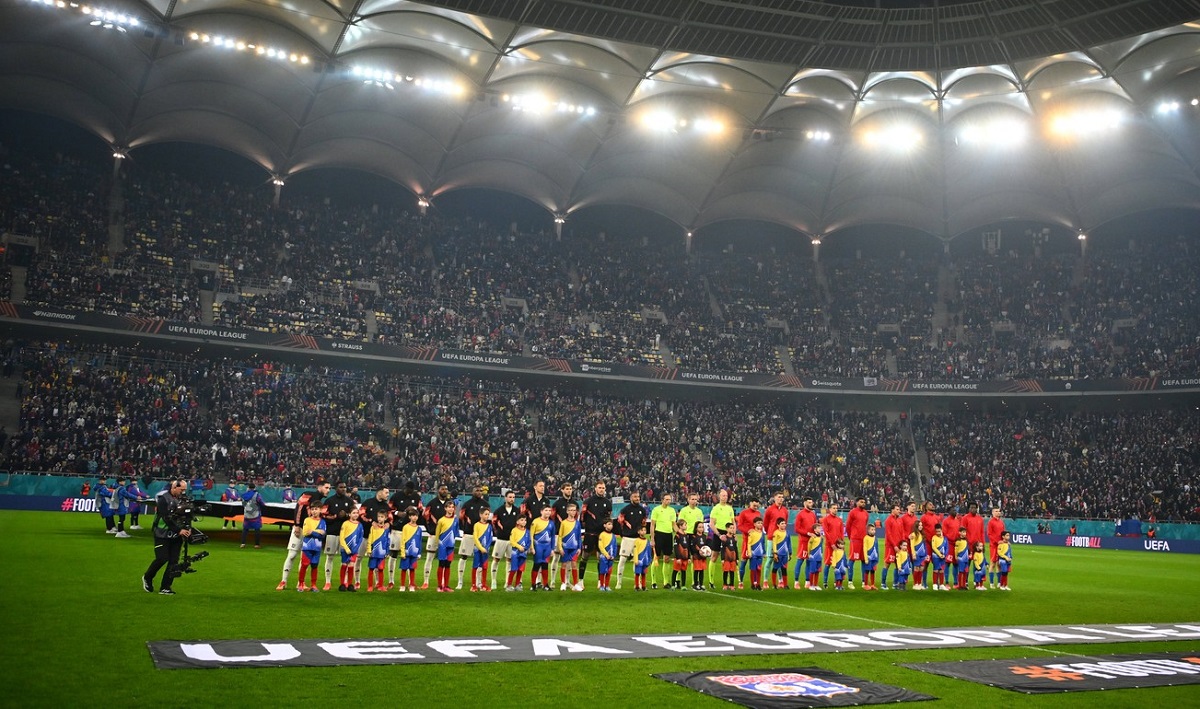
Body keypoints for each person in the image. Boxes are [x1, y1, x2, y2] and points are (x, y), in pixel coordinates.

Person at [141, 479, 193, 595]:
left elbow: (187, 516)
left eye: (185, 490)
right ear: (174, 487)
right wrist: (179, 530)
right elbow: (166, 518)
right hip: (162, 533)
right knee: (162, 558)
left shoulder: (183, 500)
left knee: (174, 562)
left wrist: (188, 529)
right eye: (182, 489)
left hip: (176, 536)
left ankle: (165, 587)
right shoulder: (163, 499)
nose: (183, 492)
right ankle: (148, 577)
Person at [277, 479, 331, 591]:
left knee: (304, 558)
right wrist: (296, 524)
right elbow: (299, 508)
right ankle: (283, 581)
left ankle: (300, 583)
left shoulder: (321, 501)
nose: (328, 490)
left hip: (312, 534)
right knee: (292, 555)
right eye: (326, 487)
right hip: (301, 528)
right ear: (319, 487)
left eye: (329, 488)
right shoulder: (308, 494)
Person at [322, 482, 356, 591]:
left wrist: (346, 515)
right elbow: (324, 515)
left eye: (345, 487)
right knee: (330, 557)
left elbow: (355, 515)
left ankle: (345, 582)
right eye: (341, 487)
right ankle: (327, 582)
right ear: (336, 488)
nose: (343, 489)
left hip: (346, 536)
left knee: (346, 560)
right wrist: (336, 516)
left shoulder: (349, 501)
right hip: (332, 532)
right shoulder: (329, 501)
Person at [421, 484, 455, 589]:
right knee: (430, 557)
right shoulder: (432, 503)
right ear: (438, 491)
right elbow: (424, 517)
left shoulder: (450, 503)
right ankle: (426, 581)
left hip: (446, 538)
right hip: (434, 536)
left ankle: (443, 584)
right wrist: (430, 530)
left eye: (446, 489)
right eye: (442, 489)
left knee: (444, 561)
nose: (445, 491)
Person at [579, 481, 612, 585]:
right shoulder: (588, 501)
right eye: (600, 487)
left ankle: (600, 581)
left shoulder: (608, 502)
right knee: (585, 556)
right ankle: (581, 580)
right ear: (595, 488)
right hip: (590, 533)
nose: (601, 489)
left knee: (600, 557)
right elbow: (582, 516)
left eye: (603, 488)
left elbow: (608, 518)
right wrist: (585, 526)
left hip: (601, 535)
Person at [458, 486, 490, 590]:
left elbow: (487, 518)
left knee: (480, 560)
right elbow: (461, 517)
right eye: (477, 490)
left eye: (481, 491)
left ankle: (478, 583)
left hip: (481, 537)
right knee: (464, 557)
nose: (479, 492)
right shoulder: (467, 504)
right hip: (469, 534)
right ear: (472, 492)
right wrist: (464, 530)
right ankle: (460, 582)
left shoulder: (485, 504)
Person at [615, 491, 648, 590]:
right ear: (631, 498)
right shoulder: (625, 509)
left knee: (637, 562)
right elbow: (619, 522)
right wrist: (622, 534)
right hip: (627, 538)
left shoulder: (642, 510)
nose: (637, 498)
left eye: (638, 496)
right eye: (635, 496)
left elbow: (643, 523)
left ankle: (637, 584)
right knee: (622, 560)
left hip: (637, 539)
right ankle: (619, 582)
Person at [491, 490, 522, 591]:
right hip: (501, 539)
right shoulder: (499, 511)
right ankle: (493, 581)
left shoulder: (517, 511)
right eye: (510, 497)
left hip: (512, 540)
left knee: (510, 560)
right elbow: (494, 523)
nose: (512, 499)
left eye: (513, 497)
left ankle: (507, 582)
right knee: (496, 559)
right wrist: (499, 532)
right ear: (505, 498)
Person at [551, 482, 580, 585]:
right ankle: (553, 581)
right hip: (558, 534)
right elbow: (552, 518)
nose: (569, 490)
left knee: (569, 560)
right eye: (567, 489)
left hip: (571, 536)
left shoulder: (575, 504)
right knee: (556, 557)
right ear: (562, 490)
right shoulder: (557, 504)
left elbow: (577, 520)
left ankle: (567, 581)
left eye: (570, 488)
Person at [706, 489, 735, 589]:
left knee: (729, 557)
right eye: (723, 496)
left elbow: (733, 522)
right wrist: (718, 535)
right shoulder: (716, 508)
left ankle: (728, 583)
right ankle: (711, 580)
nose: (725, 497)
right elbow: (711, 523)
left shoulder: (730, 508)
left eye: (726, 496)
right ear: (719, 497)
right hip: (719, 533)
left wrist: (733, 532)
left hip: (728, 533)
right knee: (714, 556)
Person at [649, 493, 677, 590]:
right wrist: (652, 538)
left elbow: (674, 524)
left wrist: (680, 533)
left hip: (668, 535)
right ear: (662, 500)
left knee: (667, 558)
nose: (668, 501)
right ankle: (653, 582)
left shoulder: (672, 510)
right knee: (656, 558)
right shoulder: (656, 510)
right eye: (667, 499)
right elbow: (652, 525)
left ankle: (666, 582)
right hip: (659, 534)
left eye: (670, 499)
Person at [297, 503, 326, 592]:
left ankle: (313, 585)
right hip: (307, 546)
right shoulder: (307, 520)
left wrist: (312, 531)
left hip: (317, 547)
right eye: (312, 509)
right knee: (304, 565)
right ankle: (301, 584)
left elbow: (323, 535)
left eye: (316, 509)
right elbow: (305, 532)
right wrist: (318, 531)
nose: (314, 511)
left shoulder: (323, 521)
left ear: (320, 510)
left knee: (314, 565)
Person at [736, 497, 762, 588]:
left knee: (755, 564)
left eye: (757, 505)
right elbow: (739, 526)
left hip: (756, 542)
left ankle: (754, 583)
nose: (755, 507)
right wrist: (748, 531)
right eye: (754, 505)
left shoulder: (758, 513)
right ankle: (741, 582)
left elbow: (760, 525)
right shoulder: (744, 513)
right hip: (747, 541)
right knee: (744, 561)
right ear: (750, 503)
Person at [557, 502, 583, 591]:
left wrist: (579, 547)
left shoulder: (577, 523)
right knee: (564, 565)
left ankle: (575, 584)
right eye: (571, 510)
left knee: (574, 565)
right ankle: (563, 583)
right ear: (567, 511)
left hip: (574, 548)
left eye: (574, 510)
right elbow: (560, 536)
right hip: (565, 547)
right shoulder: (563, 523)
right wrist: (560, 548)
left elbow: (579, 536)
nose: (573, 512)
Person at [337, 507, 364, 592]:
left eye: (357, 513)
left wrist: (355, 548)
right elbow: (341, 538)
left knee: (351, 565)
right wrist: (346, 548)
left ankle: (350, 584)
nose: (355, 514)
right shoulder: (345, 524)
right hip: (345, 549)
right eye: (354, 513)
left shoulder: (360, 525)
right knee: (344, 565)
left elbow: (360, 538)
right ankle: (342, 584)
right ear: (349, 514)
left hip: (354, 549)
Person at [530, 505, 556, 591]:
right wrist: (532, 547)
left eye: (549, 510)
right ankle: (533, 585)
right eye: (546, 510)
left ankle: (546, 585)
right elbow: (531, 535)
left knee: (545, 565)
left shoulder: (552, 523)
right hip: (538, 546)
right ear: (541, 511)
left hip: (547, 547)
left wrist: (552, 549)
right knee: (536, 565)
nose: (548, 512)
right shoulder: (536, 521)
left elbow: (552, 536)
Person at [435, 501, 459, 593]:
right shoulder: (441, 520)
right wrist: (438, 544)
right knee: (441, 564)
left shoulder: (456, 520)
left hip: (451, 546)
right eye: (449, 507)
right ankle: (439, 585)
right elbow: (437, 534)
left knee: (448, 565)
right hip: (442, 545)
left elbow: (456, 532)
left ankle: (446, 586)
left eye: (452, 507)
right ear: (445, 508)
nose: (451, 509)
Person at [398, 506, 424, 592]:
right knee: (404, 569)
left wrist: (419, 553)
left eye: (416, 515)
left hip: (414, 553)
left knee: (412, 569)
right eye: (413, 515)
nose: (414, 517)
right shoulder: (406, 527)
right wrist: (402, 552)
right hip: (406, 552)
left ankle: (411, 585)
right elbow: (403, 540)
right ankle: (402, 585)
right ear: (409, 517)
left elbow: (419, 541)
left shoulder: (419, 529)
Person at [845, 497, 868, 590]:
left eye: (864, 502)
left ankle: (864, 582)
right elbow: (848, 526)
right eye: (861, 502)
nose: (863, 503)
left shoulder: (866, 513)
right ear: (857, 502)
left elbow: (865, 525)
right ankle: (850, 582)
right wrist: (851, 537)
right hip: (855, 540)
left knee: (864, 561)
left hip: (864, 540)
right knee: (852, 560)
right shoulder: (853, 512)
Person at [365, 510, 391, 592]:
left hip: (382, 553)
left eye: (382, 517)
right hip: (374, 552)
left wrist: (387, 552)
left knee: (381, 569)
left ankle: (380, 585)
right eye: (379, 516)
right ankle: (370, 586)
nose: (380, 518)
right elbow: (370, 539)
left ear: (385, 518)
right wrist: (369, 550)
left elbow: (388, 541)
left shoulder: (386, 529)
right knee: (371, 569)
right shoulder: (373, 527)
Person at [820, 503, 844, 589]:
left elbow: (841, 533)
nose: (835, 510)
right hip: (829, 546)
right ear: (829, 509)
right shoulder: (826, 519)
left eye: (836, 508)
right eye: (834, 508)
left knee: (838, 565)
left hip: (838, 547)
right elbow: (826, 533)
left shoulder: (839, 520)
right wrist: (832, 544)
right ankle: (825, 582)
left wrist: (842, 544)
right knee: (828, 564)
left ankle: (836, 582)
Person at [471, 508, 494, 592]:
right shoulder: (476, 525)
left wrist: (486, 548)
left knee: (484, 567)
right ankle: (473, 585)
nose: (487, 516)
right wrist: (481, 548)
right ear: (480, 515)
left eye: (488, 514)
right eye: (485, 514)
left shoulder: (489, 526)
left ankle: (483, 584)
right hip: (477, 549)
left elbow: (490, 538)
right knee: (475, 566)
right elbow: (475, 538)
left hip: (485, 550)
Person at [762, 492, 789, 561]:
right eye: (779, 497)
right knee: (769, 561)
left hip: (781, 539)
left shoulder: (785, 510)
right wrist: (770, 532)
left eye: (782, 497)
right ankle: (766, 572)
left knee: (780, 560)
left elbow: (785, 523)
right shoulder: (769, 510)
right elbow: (765, 523)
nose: (781, 499)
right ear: (774, 498)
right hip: (771, 538)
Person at [882, 504, 903, 590]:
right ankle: (883, 583)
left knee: (898, 565)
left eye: (899, 509)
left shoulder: (900, 520)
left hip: (899, 546)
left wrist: (902, 544)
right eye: (897, 509)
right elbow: (889, 534)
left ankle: (895, 583)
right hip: (891, 546)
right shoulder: (888, 520)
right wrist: (894, 545)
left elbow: (902, 532)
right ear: (892, 510)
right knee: (887, 564)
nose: (899, 511)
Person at [506, 515, 530, 591]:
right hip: (515, 553)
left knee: (520, 569)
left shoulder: (527, 531)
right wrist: (519, 547)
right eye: (522, 520)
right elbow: (512, 541)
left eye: (525, 520)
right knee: (514, 569)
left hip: (523, 553)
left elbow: (529, 541)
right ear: (517, 522)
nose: (524, 522)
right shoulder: (514, 530)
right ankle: (509, 585)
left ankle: (517, 585)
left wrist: (525, 548)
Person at [240, 483, 264, 548]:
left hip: (247, 514)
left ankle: (243, 543)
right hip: (255, 514)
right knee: (257, 529)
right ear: (254, 488)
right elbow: (261, 502)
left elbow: (243, 504)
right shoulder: (257, 494)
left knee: (245, 529)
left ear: (248, 487)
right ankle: (256, 544)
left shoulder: (244, 495)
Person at [596, 518, 617, 592]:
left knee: (609, 571)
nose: (610, 526)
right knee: (602, 571)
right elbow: (600, 546)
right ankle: (602, 585)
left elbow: (615, 546)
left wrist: (614, 555)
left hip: (611, 557)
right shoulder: (602, 535)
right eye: (609, 524)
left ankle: (607, 586)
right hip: (604, 557)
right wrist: (606, 554)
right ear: (604, 525)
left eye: (611, 524)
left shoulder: (613, 536)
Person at [986, 507, 1006, 588]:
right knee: (993, 564)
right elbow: (989, 534)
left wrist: (1005, 541)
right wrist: (997, 541)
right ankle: (991, 583)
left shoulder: (1001, 522)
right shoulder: (991, 522)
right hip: (994, 546)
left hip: (1001, 546)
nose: (998, 512)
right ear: (992, 513)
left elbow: (1004, 533)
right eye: (996, 511)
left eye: (999, 511)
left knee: (999, 564)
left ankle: (998, 582)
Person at [669, 518, 690, 590]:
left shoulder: (686, 535)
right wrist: (678, 557)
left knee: (684, 571)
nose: (686, 526)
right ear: (680, 526)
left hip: (685, 556)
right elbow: (676, 547)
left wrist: (689, 557)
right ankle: (672, 585)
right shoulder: (677, 536)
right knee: (675, 570)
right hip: (679, 557)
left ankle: (683, 585)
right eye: (685, 525)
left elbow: (688, 546)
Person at [687, 519, 708, 591]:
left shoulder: (705, 536)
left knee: (702, 570)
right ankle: (695, 584)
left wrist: (707, 552)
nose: (701, 528)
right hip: (696, 556)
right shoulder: (694, 537)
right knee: (697, 570)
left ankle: (701, 584)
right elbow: (692, 546)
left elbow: (706, 546)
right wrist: (696, 553)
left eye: (702, 527)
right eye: (699, 527)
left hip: (703, 557)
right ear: (696, 528)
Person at [632, 524, 654, 592]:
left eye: (645, 530)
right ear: (638, 532)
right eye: (642, 530)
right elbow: (635, 551)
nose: (643, 532)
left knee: (644, 573)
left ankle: (644, 586)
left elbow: (649, 551)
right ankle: (637, 586)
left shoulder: (647, 541)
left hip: (645, 560)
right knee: (637, 573)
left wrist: (650, 559)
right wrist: (635, 560)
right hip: (639, 560)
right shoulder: (637, 541)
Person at [746, 516, 766, 591]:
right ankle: (753, 584)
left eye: (761, 523)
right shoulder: (752, 533)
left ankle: (758, 584)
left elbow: (763, 543)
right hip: (753, 554)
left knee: (759, 569)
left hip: (760, 554)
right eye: (758, 523)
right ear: (754, 524)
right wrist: (749, 552)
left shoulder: (762, 534)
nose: (760, 524)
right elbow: (749, 543)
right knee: (753, 569)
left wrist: (764, 552)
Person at [770, 517, 790, 590]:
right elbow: (774, 543)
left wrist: (790, 552)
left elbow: (789, 543)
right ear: (778, 525)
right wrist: (775, 553)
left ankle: (785, 585)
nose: (784, 525)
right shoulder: (776, 533)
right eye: (782, 523)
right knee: (775, 568)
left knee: (784, 569)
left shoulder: (787, 532)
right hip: (778, 554)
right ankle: (774, 584)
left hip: (785, 555)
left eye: (785, 523)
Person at [718, 522, 738, 590]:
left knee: (732, 571)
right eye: (730, 528)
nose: (732, 529)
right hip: (726, 558)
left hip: (733, 558)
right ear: (727, 529)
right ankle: (725, 584)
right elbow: (722, 549)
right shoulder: (724, 538)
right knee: (726, 571)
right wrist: (722, 558)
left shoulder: (734, 538)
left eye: (733, 528)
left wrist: (737, 558)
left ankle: (732, 584)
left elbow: (736, 548)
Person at [929, 523, 948, 591]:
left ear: (941, 530)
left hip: (943, 557)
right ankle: (935, 584)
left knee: (942, 570)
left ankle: (941, 584)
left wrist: (944, 555)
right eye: (936, 531)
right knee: (936, 570)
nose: (938, 533)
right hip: (936, 556)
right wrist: (940, 555)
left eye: (939, 531)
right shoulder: (934, 537)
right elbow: (933, 547)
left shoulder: (945, 538)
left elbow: (947, 548)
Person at [805, 526, 824, 591]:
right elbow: (809, 545)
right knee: (812, 571)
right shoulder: (812, 537)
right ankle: (811, 585)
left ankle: (816, 585)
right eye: (819, 528)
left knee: (817, 571)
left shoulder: (821, 537)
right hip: (813, 556)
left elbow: (821, 546)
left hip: (819, 556)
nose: (820, 529)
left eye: (820, 528)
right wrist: (809, 554)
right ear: (815, 530)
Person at [861, 524, 879, 590]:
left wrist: (877, 559)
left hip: (874, 558)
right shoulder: (866, 538)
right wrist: (866, 559)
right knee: (867, 571)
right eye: (872, 530)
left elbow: (877, 549)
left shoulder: (875, 538)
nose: (874, 531)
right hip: (869, 558)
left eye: (874, 530)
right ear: (868, 530)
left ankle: (872, 585)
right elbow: (865, 549)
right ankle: (865, 585)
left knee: (873, 571)